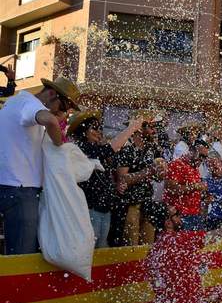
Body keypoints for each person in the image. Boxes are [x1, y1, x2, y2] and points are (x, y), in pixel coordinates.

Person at [0, 77, 80, 254]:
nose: (63, 112)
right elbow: (50, 121)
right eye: (64, 106)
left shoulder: (15, 102)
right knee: (20, 254)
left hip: (8, 185)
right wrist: (59, 143)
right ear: (51, 93)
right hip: (21, 189)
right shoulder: (31, 104)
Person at [68, 110, 143, 248]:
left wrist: (116, 185)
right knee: (91, 249)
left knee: (101, 247)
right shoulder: (80, 148)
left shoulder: (95, 149)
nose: (98, 132)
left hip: (104, 208)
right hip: (90, 209)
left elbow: (104, 175)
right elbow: (111, 148)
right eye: (94, 128)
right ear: (83, 131)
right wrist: (132, 127)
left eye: (99, 128)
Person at [145, 203, 213, 303]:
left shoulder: (154, 249)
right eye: (177, 216)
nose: (180, 218)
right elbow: (220, 233)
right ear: (168, 222)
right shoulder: (183, 241)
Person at [115, 110, 165, 246]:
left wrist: (161, 172)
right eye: (151, 126)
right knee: (131, 246)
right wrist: (148, 172)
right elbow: (122, 179)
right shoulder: (127, 148)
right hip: (131, 205)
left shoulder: (152, 148)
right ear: (139, 128)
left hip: (148, 203)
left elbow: (158, 177)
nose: (154, 130)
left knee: (147, 247)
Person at [164, 140, 209, 231]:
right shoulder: (176, 165)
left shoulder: (195, 168)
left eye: (205, 157)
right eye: (201, 156)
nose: (202, 159)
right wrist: (173, 216)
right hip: (181, 217)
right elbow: (171, 189)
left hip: (195, 216)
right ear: (192, 151)